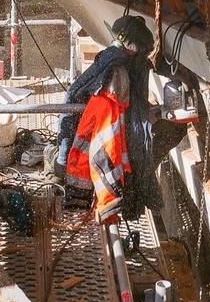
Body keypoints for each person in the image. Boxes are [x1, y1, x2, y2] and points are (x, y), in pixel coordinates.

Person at [55, 14, 167, 220]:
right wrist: (62, 155)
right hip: (106, 167)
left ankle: (100, 202)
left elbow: (72, 93)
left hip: (99, 171)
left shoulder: (120, 64)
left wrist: (62, 156)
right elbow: (73, 94)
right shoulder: (116, 68)